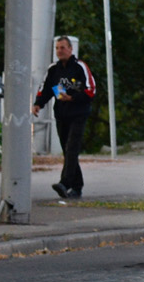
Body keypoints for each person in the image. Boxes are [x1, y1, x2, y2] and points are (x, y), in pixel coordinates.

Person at [32, 36, 96, 199]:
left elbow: (91, 90)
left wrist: (73, 98)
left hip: (78, 114)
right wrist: (39, 103)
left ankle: (65, 182)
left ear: (70, 49)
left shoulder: (79, 67)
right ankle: (77, 187)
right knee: (68, 151)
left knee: (72, 148)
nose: (60, 51)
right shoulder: (54, 69)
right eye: (57, 48)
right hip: (61, 114)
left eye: (63, 47)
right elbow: (45, 88)